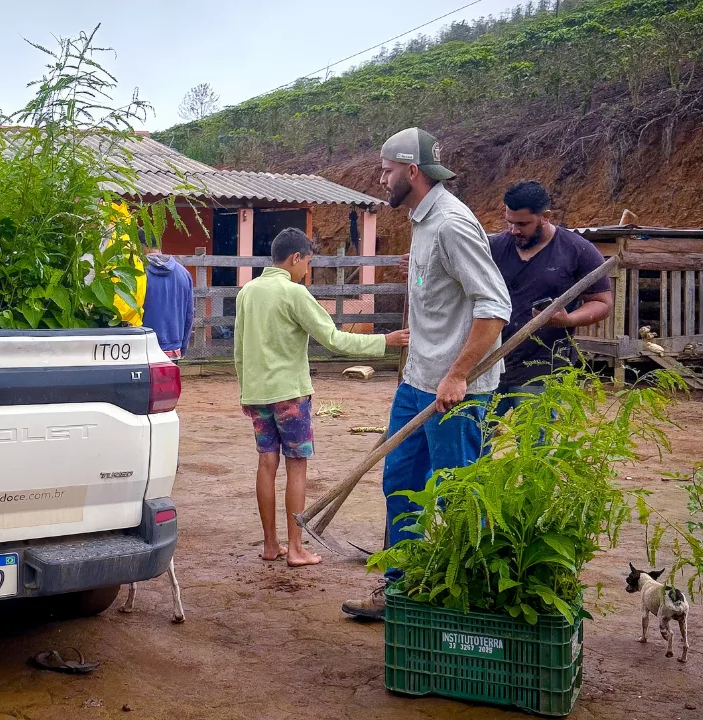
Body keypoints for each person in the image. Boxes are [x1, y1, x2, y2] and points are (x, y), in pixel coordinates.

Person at [342, 128, 511, 619]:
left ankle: (465, 600)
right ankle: (402, 587)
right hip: (418, 382)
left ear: (412, 171)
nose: (382, 178)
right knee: (400, 481)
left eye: (387, 170)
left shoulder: (454, 224)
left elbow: (494, 306)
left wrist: (458, 375)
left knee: (457, 494)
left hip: (456, 393)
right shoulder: (422, 221)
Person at [234, 228, 409, 567]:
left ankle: (272, 545)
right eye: (308, 263)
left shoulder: (248, 292)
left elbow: (240, 347)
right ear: (296, 258)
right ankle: (296, 548)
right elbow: (334, 340)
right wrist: (385, 341)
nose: (307, 271)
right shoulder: (294, 293)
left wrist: (245, 390)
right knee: (297, 467)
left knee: (266, 463)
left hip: (257, 393)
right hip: (290, 394)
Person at [488, 180, 613, 412]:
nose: (514, 230)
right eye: (509, 222)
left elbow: (601, 302)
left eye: (523, 224)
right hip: (490, 364)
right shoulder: (492, 247)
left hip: (543, 369)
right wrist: (419, 270)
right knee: (478, 440)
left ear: (545, 216)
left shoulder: (578, 250)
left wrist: (569, 320)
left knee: (535, 445)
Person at [141, 245, 195, 360]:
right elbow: (189, 315)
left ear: (141, 246)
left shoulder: (137, 272)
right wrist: (183, 347)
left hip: (142, 348)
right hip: (173, 349)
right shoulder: (184, 273)